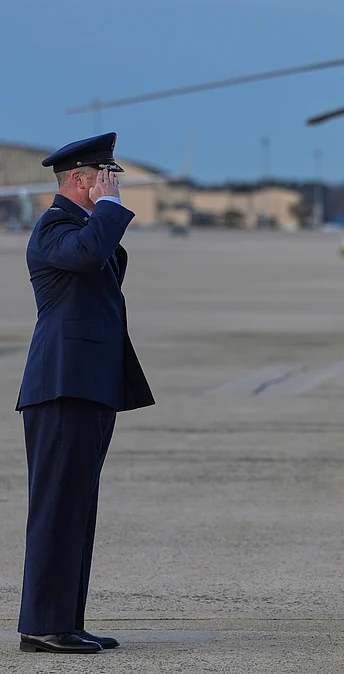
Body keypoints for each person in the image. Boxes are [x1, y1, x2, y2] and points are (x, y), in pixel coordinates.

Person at [14, 132, 155, 654]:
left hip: (88, 385)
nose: (114, 186)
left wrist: (104, 211)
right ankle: (42, 626)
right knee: (56, 508)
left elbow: (99, 257)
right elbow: (91, 255)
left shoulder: (81, 228)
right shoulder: (55, 226)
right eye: (106, 177)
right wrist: (109, 208)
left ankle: (65, 621)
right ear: (79, 179)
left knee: (76, 508)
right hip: (61, 386)